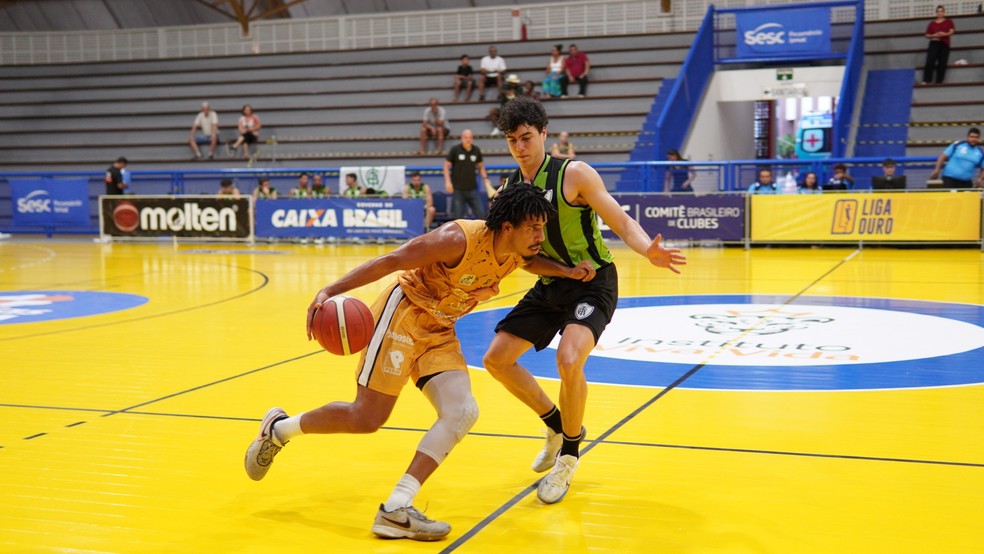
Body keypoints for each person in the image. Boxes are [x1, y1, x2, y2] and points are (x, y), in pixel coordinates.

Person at [244, 183, 594, 541]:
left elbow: (530, 261)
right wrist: (329, 291)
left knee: (462, 411)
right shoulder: (456, 239)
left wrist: (566, 272)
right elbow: (392, 260)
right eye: (533, 228)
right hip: (402, 316)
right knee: (367, 418)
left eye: (541, 227)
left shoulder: (518, 250)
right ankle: (279, 430)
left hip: (439, 329)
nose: (540, 236)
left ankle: (396, 508)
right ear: (508, 227)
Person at [482, 95, 686, 505]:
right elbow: (523, 259)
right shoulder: (509, 191)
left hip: (594, 282)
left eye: (526, 137)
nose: (519, 147)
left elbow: (621, 220)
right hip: (554, 282)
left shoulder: (574, 174)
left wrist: (647, 249)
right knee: (496, 360)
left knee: (569, 358)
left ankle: (569, 457)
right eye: (512, 140)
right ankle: (556, 424)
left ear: (544, 133)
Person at [444, 129, 496, 219]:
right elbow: (446, 166)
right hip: (458, 189)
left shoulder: (476, 150)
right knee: (458, 217)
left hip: (472, 189)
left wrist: (485, 178)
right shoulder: (455, 149)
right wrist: (448, 182)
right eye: (466, 137)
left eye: (470, 137)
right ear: (462, 138)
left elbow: (480, 166)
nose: (468, 140)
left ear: (472, 138)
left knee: (481, 214)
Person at [922, 5, 955, 85]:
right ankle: (926, 80)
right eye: (938, 11)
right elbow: (927, 35)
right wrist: (934, 35)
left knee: (942, 63)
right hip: (934, 43)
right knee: (930, 61)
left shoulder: (949, 21)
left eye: (941, 11)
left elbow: (951, 31)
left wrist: (944, 34)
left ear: (944, 12)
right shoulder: (932, 23)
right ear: (936, 13)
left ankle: (939, 81)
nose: (940, 13)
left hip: (944, 44)